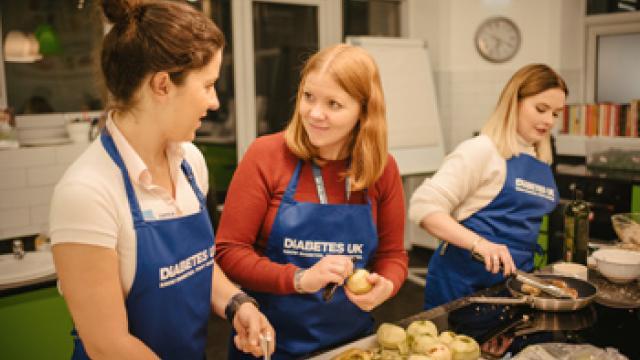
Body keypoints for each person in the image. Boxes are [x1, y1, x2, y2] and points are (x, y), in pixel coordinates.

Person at [49, 1, 274, 359]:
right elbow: (107, 345)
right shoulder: (87, 193)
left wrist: (237, 303)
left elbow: (194, 263)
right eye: (208, 85)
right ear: (163, 85)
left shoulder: (191, 162)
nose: (215, 102)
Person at [214, 44, 408, 359]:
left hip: (350, 346)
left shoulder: (382, 169)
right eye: (308, 97)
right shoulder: (266, 156)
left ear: (364, 110)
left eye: (334, 104)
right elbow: (229, 252)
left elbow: (393, 255)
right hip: (268, 342)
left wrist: (387, 283)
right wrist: (299, 279)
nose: (315, 113)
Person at [409, 64, 567, 310]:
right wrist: (480, 244)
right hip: (463, 284)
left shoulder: (540, 159)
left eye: (556, 113)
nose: (549, 121)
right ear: (514, 102)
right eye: (541, 109)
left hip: (514, 283)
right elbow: (423, 207)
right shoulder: (482, 150)